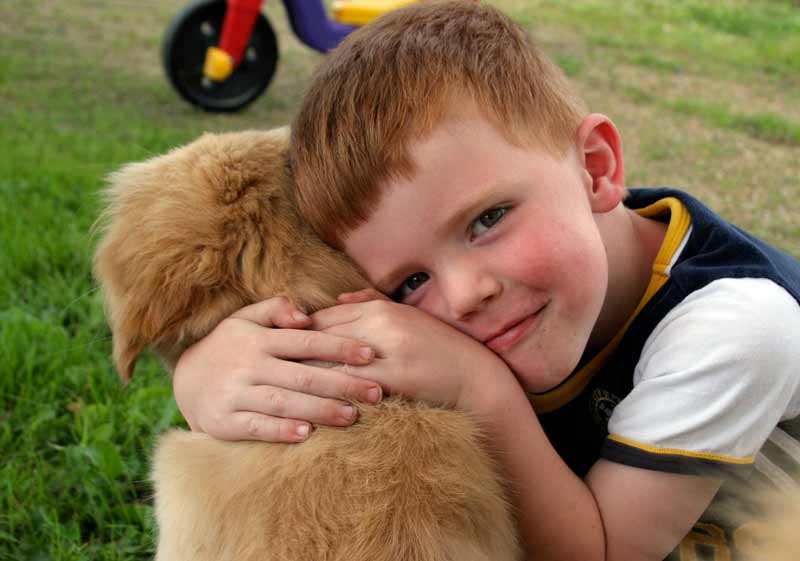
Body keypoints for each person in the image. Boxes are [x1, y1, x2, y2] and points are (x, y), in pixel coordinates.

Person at [172, 2, 800, 560]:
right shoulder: (541, 281)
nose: (465, 295)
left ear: (595, 168)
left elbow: (601, 552)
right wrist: (205, 372)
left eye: (488, 220)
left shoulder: (738, 328)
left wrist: (480, 389)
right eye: (410, 281)